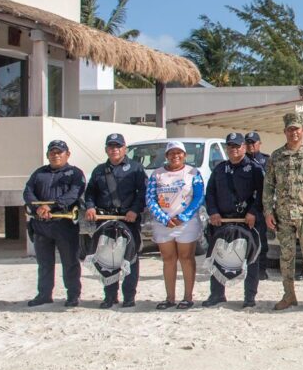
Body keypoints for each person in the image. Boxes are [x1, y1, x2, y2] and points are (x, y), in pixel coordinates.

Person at [263, 113, 303, 310]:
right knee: (286, 256)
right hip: (283, 214)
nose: (294, 133)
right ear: (285, 131)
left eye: (297, 129)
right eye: (290, 129)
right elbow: (268, 187)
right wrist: (268, 211)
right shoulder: (276, 156)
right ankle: (289, 295)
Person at [84, 132, 146, 308]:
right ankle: (110, 296)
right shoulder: (98, 170)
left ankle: (129, 297)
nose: (115, 150)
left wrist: (134, 210)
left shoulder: (136, 168)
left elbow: (143, 193)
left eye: (118, 146)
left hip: (128, 220)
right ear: (106, 150)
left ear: (124, 148)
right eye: (111, 147)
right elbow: (90, 193)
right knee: (108, 259)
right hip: (105, 220)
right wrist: (90, 206)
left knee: (130, 259)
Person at [202, 132, 264, 308]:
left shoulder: (254, 168)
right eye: (231, 146)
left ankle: (249, 297)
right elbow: (211, 192)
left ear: (244, 147)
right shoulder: (220, 169)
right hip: (223, 222)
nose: (234, 149)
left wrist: (253, 212)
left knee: (251, 260)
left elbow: (262, 193)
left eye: (237, 146)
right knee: (218, 257)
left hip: (247, 221)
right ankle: (217, 294)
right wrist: (213, 212)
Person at [23, 140, 86, 307]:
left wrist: (50, 206)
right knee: (44, 263)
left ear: (68, 154)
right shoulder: (39, 173)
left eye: (59, 152)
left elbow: (74, 194)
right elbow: (28, 192)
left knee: (70, 262)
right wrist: (37, 209)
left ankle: (73, 295)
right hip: (41, 225)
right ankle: (44, 294)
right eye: (52, 152)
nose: (56, 155)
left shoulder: (75, 173)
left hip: (64, 224)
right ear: (47, 155)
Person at [146, 141, 205, 310]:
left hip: (186, 223)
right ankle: (170, 298)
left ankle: (187, 297)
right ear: (166, 156)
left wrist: (184, 216)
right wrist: (163, 218)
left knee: (186, 258)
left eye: (179, 153)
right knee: (168, 259)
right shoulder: (157, 174)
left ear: (185, 155)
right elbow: (150, 198)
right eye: (172, 153)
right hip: (163, 223)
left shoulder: (193, 173)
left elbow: (199, 196)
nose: (175, 156)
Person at [245, 131, 270, 279]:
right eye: (248, 143)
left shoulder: (267, 160)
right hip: (247, 205)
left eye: (253, 142)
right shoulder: (242, 161)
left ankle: (261, 269)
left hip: (263, 204)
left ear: (259, 143)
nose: (251, 145)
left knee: (262, 239)